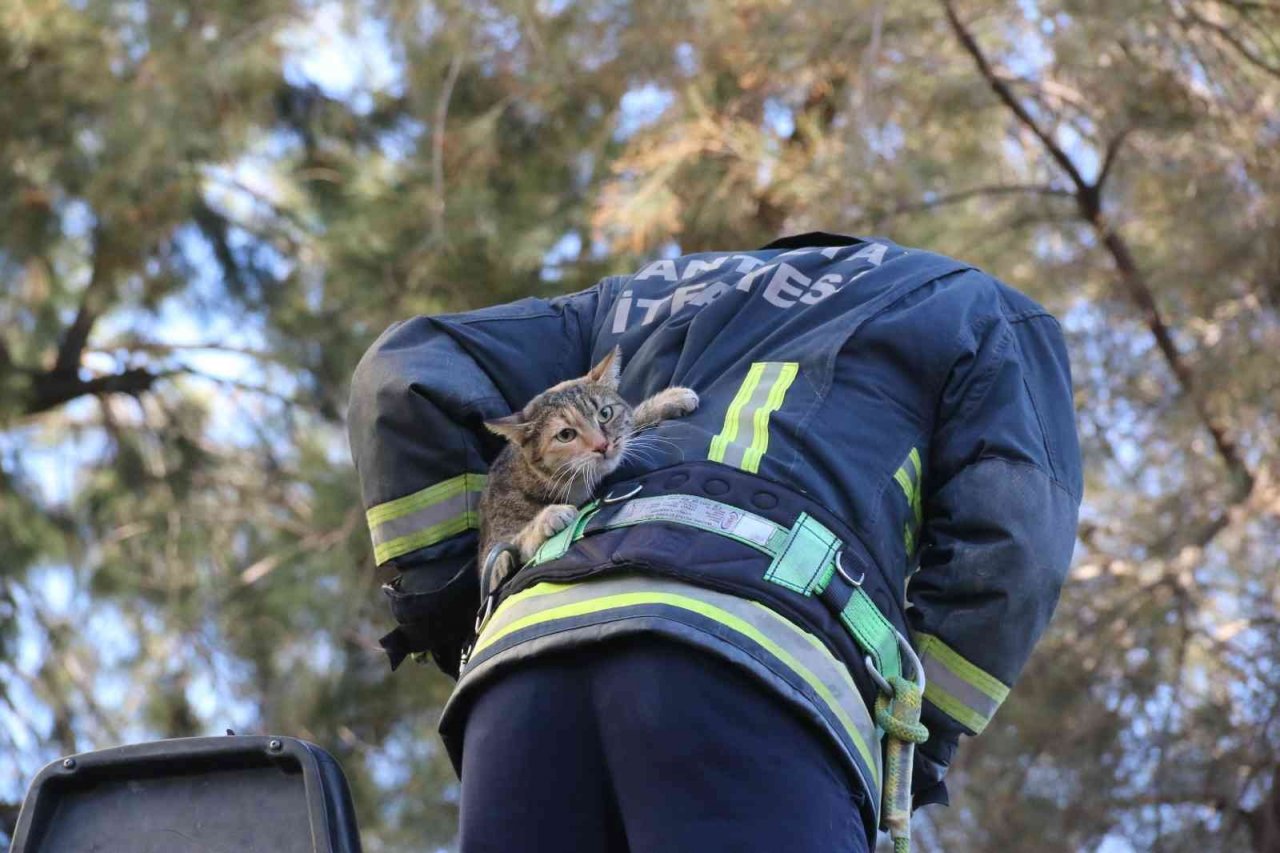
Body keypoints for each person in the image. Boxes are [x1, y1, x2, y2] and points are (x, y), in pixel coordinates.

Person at [347, 232, 1082, 852]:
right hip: (763, 667)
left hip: (525, 672)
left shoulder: (630, 299)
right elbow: (1013, 542)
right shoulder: (975, 308)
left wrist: (463, 606)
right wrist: (919, 741)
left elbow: (403, 371)